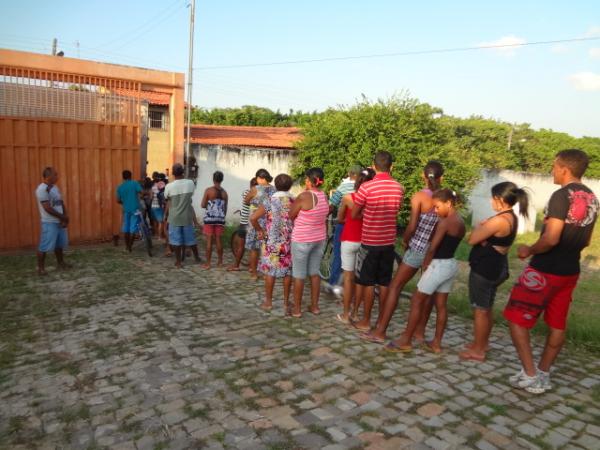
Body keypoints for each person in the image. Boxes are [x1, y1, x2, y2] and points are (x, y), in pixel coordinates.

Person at [505, 149, 598, 394]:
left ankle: (530, 373)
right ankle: (543, 374)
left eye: (554, 166)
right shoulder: (592, 198)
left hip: (545, 270)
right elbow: (586, 240)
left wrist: (529, 249)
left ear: (564, 168)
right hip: (570, 270)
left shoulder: (560, 196)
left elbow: (551, 238)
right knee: (557, 324)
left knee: (516, 317)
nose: (552, 170)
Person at [361, 161, 444, 343]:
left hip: (417, 247)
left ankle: (381, 331)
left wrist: (405, 240)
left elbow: (412, 226)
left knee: (395, 286)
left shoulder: (419, 197)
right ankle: (419, 332)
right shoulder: (445, 198)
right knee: (427, 292)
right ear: (442, 177)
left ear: (423, 176)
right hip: (435, 250)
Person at [386, 189, 465, 353]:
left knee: (417, 299)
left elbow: (432, 248)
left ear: (448, 203)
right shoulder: (461, 221)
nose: (435, 211)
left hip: (437, 265)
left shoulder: (445, 222)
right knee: (441, 305)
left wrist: (427, 265)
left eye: (437, 207)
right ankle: (436, 343)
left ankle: (406, 339)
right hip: (450, 263)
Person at [459, 182, 530, 362]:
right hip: (497, 266)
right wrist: (485, 233)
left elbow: (472, 239)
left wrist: (479, 228)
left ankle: (478, 349)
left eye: (493, 197)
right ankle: (482, 342)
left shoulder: (498, 220)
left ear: (499, 199)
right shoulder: (510, 217)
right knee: (487, 308)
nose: (491, 201)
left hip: (486, 269)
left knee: (480, 310)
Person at [351, 151, 404, 331]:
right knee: (384, 282)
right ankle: (381, 320)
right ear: (392, 166)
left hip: (369, 241)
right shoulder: (399, 188)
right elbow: (397, 209)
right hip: (388, 242)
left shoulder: (366, 188)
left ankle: (365, 320)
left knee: (367, 282)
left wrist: (369, 213)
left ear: (373, 166)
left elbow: (355, 213)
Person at [334, 168, 375, 323]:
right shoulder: (373, 200)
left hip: (349, 238)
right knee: (362, 279)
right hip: (366, 240)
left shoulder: (347, 198)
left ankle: (346, 314)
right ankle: (357, 313)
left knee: (348, 278)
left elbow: (340, 218)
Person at [289, 167, 330, 317]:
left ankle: (297, 309)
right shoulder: (324, 196)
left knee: (299, 275)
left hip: (302, 240)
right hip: (318, 239)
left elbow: (291, 215)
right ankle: (315, 306)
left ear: (309, 180)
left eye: (306, 179)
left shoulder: (304, 196)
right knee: (314, 273)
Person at [251, 174, 295, 313]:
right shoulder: (294, 201)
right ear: (290, 186)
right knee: (287, 273)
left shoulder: (270, 201)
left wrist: (260, 231)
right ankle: (286, 304)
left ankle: (269, 302)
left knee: (270, 272)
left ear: (276, 185)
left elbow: (253, 218)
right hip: (288, 241)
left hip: (272, 242)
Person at [324, 165, 363, 295]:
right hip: (362, 225)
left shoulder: (342, 188)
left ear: (349, 173)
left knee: (338, 256)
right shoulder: (365, 188)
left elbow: (332, 204)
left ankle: (333, 283)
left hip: (345, 224)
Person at [164, 163, 201, 268]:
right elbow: (191, 197)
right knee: (191, 239)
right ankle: (197, 257)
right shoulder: (190, 183)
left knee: (176, 241)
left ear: (172, 173)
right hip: (187, 216)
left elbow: (167, 199)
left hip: (174, 217)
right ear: (183, 172)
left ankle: (179, 262)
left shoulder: (169, 187)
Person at [35, 167, 70, 275]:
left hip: (59, 221)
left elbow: (61, 202)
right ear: (48, 176)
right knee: (44, 246)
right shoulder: (42, 189)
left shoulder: (54, 187)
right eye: (55, 174)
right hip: (49, 222)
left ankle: (61, 263)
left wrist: (65, 215)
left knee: (59, 244)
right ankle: (40, 268)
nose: (57, 177)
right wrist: (62, 217)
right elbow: (47, 208)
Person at [245, 169, 276, 279]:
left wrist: (255, 203)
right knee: (266, 248)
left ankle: (254, 273)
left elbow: (246, 201)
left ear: (260, 178)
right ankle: (265, 272)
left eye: (257, 178)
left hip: (255, 221)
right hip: (269, 221)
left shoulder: (255, 189)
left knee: (254, 248)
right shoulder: (274, 190)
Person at [228, 177, 258, 271]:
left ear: (250, 185)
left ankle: (236, 265)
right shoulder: (260, 196)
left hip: (244, 223)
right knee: (253, 248)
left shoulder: (246, 193)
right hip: (253, 224)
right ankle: (251, 267)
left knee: (241, 246)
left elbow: (247, 204)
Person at [201, 171, 228, 269]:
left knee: (209, 241)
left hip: (209, 219)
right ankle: (220, 262)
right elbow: (225, 208)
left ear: (213, 179)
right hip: (220, 219)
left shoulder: (208, 191)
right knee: (218, 240)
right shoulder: (225, 193)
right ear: (222, 180)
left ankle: (208, 263)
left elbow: (203, 205)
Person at [116, 170, 142, 253]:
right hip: (135, 209)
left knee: (126, 228)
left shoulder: (120, 187)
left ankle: (127, 247)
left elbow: (118, 200)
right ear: (131, 176)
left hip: (125, 209)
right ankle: (130, 246)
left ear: (123, 177)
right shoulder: (134, 183)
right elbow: (141, 192)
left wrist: (124, 202)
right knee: (133, 228)